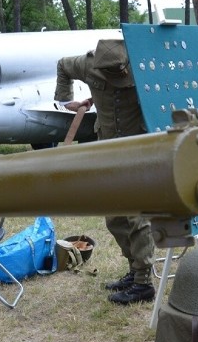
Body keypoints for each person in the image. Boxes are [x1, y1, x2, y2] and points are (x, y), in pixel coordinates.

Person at [54, 39, 156, 304]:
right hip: (108, 150)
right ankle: (134, 271)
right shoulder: (87, 65)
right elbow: (62, 66)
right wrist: (66, 101)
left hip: (139, 149)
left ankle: (144, 282)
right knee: (114, 217)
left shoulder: (143, 64)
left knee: (137, 216)